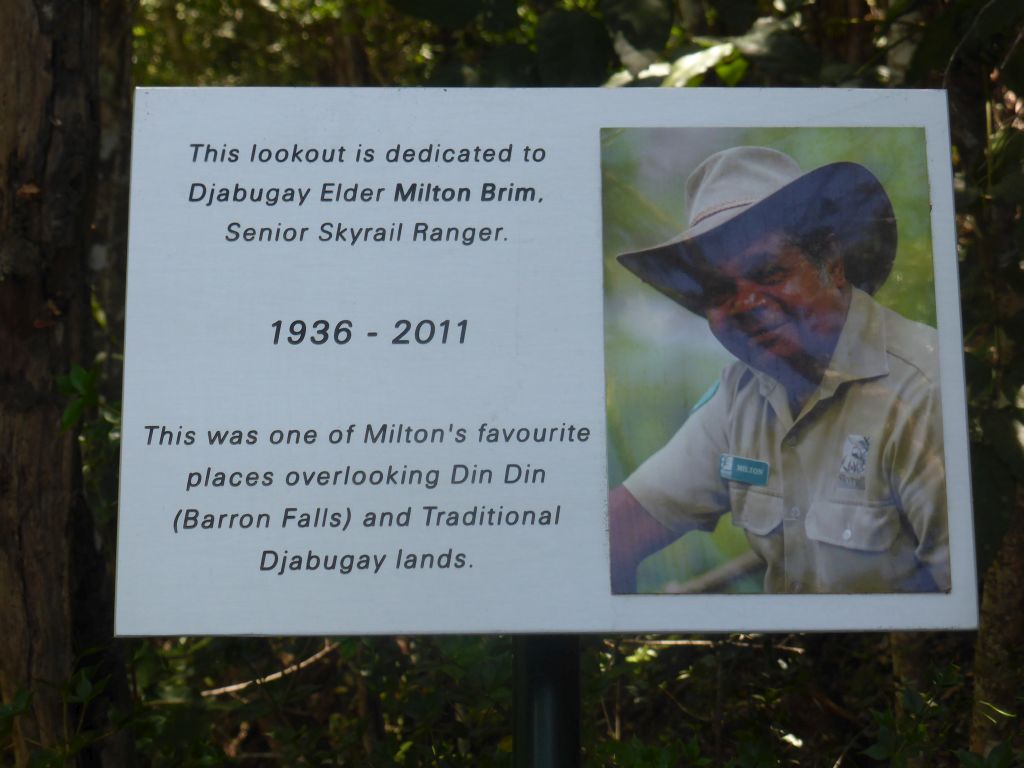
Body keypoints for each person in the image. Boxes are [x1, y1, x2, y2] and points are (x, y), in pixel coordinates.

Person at [608, 146, 950, 595]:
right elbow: (618, 531)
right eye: (719, 289)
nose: (747, 303)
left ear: (832, 262)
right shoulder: (742, 394)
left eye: (768, 272)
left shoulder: (926, 387)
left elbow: (968, 609)